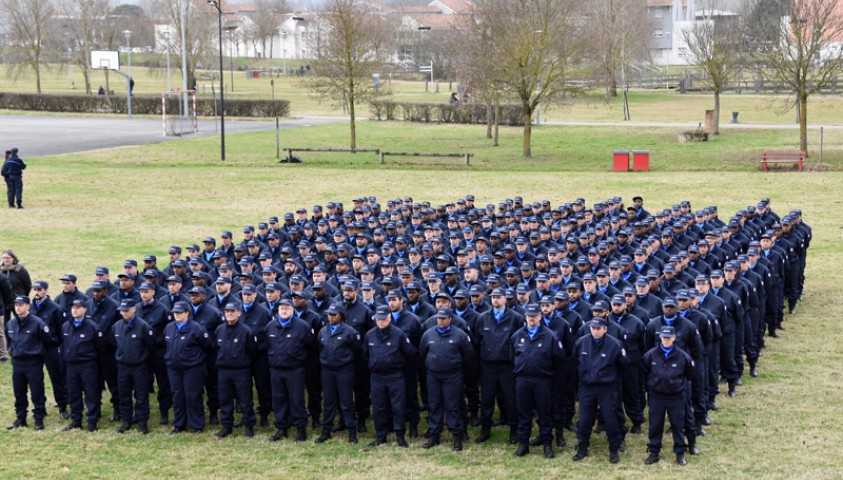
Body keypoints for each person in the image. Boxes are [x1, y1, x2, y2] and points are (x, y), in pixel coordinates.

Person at [572, 317, 629, 464]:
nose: (595, 331)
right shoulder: (581, 342)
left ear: (605, 329)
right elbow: (574, 362)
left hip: (607, 388)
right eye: (593, 328)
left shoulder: (615, 345)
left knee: (610, 419)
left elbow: (623, 366)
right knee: (585, 419)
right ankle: (582, 447)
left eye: (599, 328)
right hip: (587, 387)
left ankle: (614, 449)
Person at [511, 304, 563, 459]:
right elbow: (511, 357)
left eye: (534, 315)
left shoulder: (550, 336)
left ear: (540, 317)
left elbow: (558, 360)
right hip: (522, 380)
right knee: (523, 413)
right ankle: (523, 444)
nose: (531, 318)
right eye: (528, 316)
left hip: (542, 380)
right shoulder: (517, 335)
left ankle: (547, 444)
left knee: (544, 413)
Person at [419, 307, 474, 451]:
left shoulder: (460, 335)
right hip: (433, 376)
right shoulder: (428, 334)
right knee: (434, 405)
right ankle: (434, 435)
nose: (440, 320)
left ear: (450, 319)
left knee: (453, 406)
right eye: (438, 318)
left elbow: (468, 355)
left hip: (453, 376)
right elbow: (422, 352)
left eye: (443, 318)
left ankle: (457, 436)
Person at [364, 305, 417, 448]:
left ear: (389, 318)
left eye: (383, 319)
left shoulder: (399, 334)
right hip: (377, 377)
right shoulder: (369, 335)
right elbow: (365, 355)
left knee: (398, 407)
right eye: (378, 319)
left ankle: (400, 436)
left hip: (395, 376)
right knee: (379, 408)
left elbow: (410, 354)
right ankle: (381, 436)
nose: (380, 322)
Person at [641, 326, 695, 466]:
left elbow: (689, 373)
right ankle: (654, 452)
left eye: (668, 338)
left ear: (674, 338)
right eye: (664, 338)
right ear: (660, 338)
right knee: (655, 424)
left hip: (676, 396)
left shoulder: (683, 356)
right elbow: (644, 371)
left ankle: (680, 452)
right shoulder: (651, 354)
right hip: (656, 396)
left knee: (677, 424)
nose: (666, 340)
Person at [265, 297, 314, 442]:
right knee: (278, 399)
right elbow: (267, 345)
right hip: (276, 369)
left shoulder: (302, 326)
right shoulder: (270, 326)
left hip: (295, 370)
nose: (284, 311)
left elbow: (310, 347)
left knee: (296, 399)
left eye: (287, 308)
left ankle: (300, 428)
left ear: (293, 310)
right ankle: (281, 428)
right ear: (278, 310)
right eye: (281, 308)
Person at [163, 301, 213, 434]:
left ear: (187, 313)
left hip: (193, 368)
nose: (177, 315)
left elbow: (207, 346)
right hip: (174, 368)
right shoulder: (169, 328)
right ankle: (179, 424)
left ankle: (197, 424)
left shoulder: (197, 328)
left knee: (193, 395)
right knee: (177, 395)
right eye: (175, 312)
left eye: (180, 312)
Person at [316, 301, 362, 444]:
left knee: (346, 402)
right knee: (328, 401)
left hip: (344, 371)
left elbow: (357, 350)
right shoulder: (323, 331)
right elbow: (319, 347)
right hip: (327, 371)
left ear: (341, 316)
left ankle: (352, 431)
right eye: (328, 314)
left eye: (333, 315)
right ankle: (326, 431)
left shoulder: (350, 332)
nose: (330, 317)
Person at [214, 302, 258, 438]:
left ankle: (249, 426)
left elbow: (253, 351)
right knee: (225, 399)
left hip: (241, 371)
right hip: (223, 371)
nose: (229, 314)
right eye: (227, 312)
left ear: (239, 313)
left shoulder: (246, 331)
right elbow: (216, 348)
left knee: (245, 400)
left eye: (232, 311)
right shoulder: (219, 330)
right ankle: (227, 426)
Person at [112, 299, 155, 434]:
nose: (124, 313)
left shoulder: (143, 326)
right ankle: (126, 421)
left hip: (140, 366)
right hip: (123, 366)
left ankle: (142, 422)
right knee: (124, 394)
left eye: (126, 310)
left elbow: (151, 345)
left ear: (134, 309)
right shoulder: (116, 326)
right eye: (122, 311)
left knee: (141, 395)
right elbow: (115, 344)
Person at [6, 296, 48, 430]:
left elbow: (46, 340)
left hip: (33, 362)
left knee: (37, 391)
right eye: (16, 305)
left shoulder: (37, 323)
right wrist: (12, 351)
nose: (18, 307)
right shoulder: (11, 323)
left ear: (28, 306)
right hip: (17, 362)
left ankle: (39, 419)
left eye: (21, 305)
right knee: (19, 392)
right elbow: (9, 340)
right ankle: (21, 418)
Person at [62, 299, 103, 432]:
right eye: (73, 307)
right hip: (71, 365)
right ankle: (76, 420)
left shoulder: (92, 326)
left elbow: (100, 346)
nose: (74, 310)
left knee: (91, 393)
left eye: (78, 307)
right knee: (73, 393)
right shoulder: (66, 326)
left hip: (88, 365)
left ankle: (92, 421)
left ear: (85, 309)